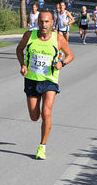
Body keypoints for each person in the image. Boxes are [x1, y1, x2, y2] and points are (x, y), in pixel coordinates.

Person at [16, 11, 75, 160]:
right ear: (38, 22)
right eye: (41, 21)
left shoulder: (58, 38)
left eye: (47, 22)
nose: (44, 25)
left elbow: (70, 55)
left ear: (52, 23)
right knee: (34, 116)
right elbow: (19, 49)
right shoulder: (29, 36)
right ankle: (44, 120)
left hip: (50, 79)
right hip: (31, 79)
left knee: (47, 112)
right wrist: (23, 65)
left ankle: (42, 146)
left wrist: (62, 63)